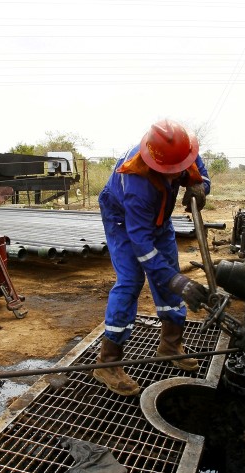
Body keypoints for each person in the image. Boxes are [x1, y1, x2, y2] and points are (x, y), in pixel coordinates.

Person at [95, 119, 211, 396]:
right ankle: (107, 362)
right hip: (124, 220)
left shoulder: (181, 149)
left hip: (160, 217)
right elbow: (143, 248)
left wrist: (201, 187)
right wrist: (177, 282)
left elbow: (202, 175)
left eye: (178, 170)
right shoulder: (137, 185)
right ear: (153, 163)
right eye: (168, 173)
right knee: (131, 280)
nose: (175, 176)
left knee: (168, 270)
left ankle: (170, 345)